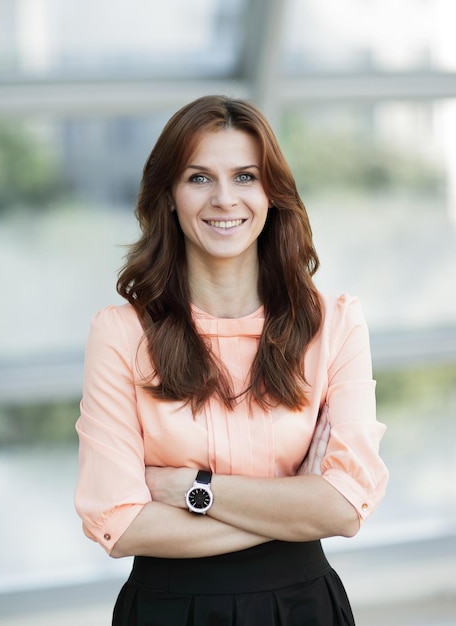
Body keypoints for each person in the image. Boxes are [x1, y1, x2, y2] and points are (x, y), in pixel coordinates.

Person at [75, 95, 388, 625]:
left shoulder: (334, 325)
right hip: (168, 612)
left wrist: (192, 490)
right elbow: (121, 524)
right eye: (199, 178)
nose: (224, 199)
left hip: (302, 609)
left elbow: (344, 509)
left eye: (245, 177)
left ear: (271, 194)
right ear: (170, 195)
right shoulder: (121, 333)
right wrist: (297, 508)